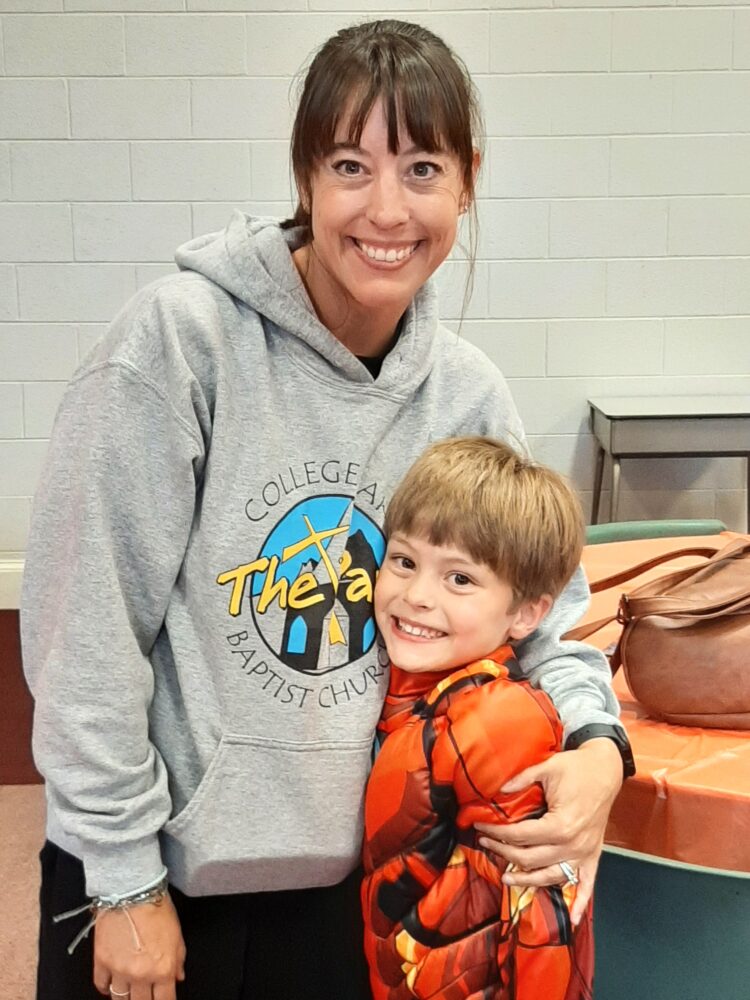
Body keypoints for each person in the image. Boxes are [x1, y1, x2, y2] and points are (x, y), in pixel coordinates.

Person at [21, 18, 632, 1000]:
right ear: (305, 178)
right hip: (160, 879)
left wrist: (600, 748)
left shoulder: (467, 394)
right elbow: (82, 637)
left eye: (422, 169)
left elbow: (545, 622)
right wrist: (124, 876)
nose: (386, 209)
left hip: (356, 893)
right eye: (351, 165)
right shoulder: (179, 344)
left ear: (467, 182)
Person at [363, 436, 594, 1000]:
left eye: (460, 578)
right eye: (404, 561)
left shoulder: (499, 721)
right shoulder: (412, 688)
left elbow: (542, 910)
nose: (417, 595)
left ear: (526, 613)